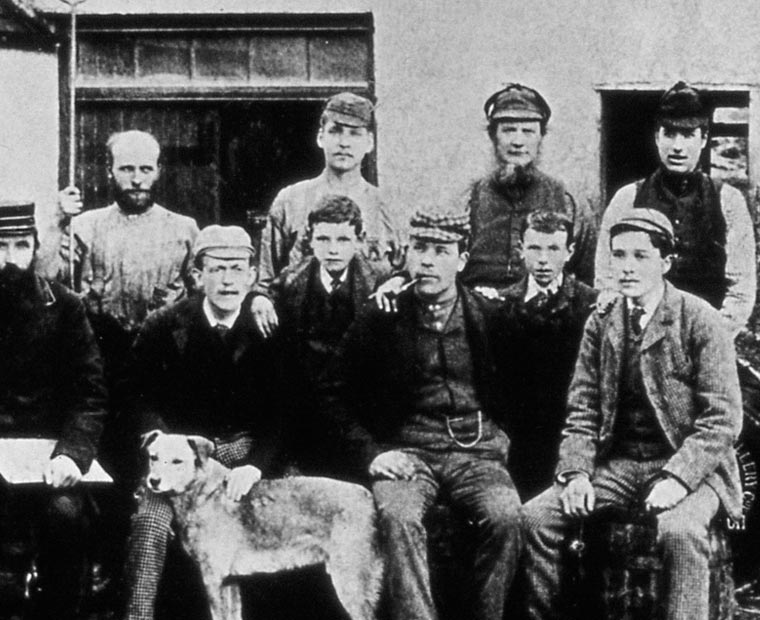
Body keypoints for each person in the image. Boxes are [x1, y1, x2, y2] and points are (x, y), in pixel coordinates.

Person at [522, 209, 743, 620]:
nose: (626, 268)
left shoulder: (700, 321)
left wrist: (678, 479)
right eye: (618, 255)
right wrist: (576, 474)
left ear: (666, 262)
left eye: (640, 256)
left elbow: (722, 420)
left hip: (694, 466)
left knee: (679, 532)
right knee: (535, 519)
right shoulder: (602, 323)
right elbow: (583, 408)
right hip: (620, 463)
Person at [321, 210, 522, 620]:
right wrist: (372, 453)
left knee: (507, 518)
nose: (428, 260)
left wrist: (503, 435)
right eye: (420, 249)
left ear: (462, 259)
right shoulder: (382, 315)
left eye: (441, 251)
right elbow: (332, 390)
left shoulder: (489, 315)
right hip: (407, 450)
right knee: (398, 517)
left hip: (477, 451)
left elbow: (524, 388)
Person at [122, 225, 286, 620]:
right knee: (150, 523)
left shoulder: (270, 327)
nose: (227, 280)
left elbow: (285, 409)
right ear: (197, 275)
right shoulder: (164, 325)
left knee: (269, 522)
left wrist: (256, 465)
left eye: (237, 268)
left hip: (241, 453)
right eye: (216, 269)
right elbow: (135, 394)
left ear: (251, 275)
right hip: (179, 460)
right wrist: (158, 436)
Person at [0, 201, 107, 620]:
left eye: (21, 245)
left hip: (46, 461)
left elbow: (90, 395)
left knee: (66, 515)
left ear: (35, 248)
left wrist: (71, 454)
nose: (11, 259)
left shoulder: (64, 307)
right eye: (1, 246)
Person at [595, 81, 756, 338]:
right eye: (669, 134)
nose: (677, 146)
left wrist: (712, 337)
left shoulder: (728, 201)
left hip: (708, 337)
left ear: (703, 139)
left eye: (688, 135)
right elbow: (607, 281)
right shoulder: (628, 199)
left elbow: (741, 290)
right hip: (640, 336)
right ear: (657, 137)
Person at [252, 91, 398, 337]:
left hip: (366, 335)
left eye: (355, 133)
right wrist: (259, 299)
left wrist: (398, 282)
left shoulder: (385, 206)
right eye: (336, 131)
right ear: (321, 137)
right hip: (301, 333)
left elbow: (402, 273)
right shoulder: (291, 200)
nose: (344, 142)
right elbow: (266, 277)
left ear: (370, 142)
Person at [264, 194, 382, 474]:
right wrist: (259, 298)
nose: (333, 250)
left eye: (342, 240)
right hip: (305, 404)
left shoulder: (380, 280)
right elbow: (266, 292)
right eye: (323, 239)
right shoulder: (291, 281)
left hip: (358, 405)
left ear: (359, 240)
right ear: (310, 239)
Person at [499, 211, 597, 501]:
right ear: (520, 250)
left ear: (569, 252)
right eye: (534, 248)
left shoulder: (591, 304)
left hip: (568, 430)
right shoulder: (500, 305)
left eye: (553, 249)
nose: (543, 260)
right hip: (518, 434)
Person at [462, 83, 596, 290]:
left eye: (528, 132)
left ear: (541, 137)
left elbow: (587, 273)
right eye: (508, 131)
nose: (518, 141)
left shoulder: (567, 200)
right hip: (478, 309)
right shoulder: (471, 198)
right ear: (493, 136)